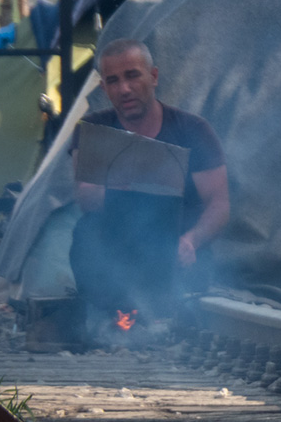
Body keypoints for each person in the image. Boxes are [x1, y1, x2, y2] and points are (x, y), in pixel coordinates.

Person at [70, 38, 229, 330]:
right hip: (119, 253)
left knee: (188, 280)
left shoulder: (193, 131)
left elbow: (218, 205)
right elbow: (87, 200)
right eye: (113, 81)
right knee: (85, 234)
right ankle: (109, 319)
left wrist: (192, 241)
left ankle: (170, 318)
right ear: (104, 89)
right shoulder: (93, 131)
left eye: (133, 75)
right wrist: (140, 177)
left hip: (176, 252)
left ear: (153, 77)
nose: (125, 89)